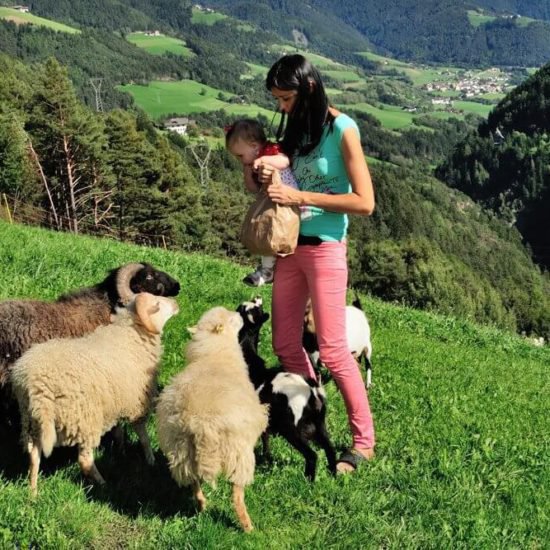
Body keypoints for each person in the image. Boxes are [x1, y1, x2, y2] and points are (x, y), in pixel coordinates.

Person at [258, 54, 376, 473]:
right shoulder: (297, 125)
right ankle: (314, 405)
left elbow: (364, 202)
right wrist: (270, 165)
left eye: (285, 98)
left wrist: (301, 197)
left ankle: (362, 443)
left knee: (332, 347)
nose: (281, 107)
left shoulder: (343, 129)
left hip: (326, 246)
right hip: (291, 246)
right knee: (285, 344)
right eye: (277, 100)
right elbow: (291, 166)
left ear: (308, 89)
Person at [225, 119, 299, 286]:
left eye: (240, 155)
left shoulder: (271, 152)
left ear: (254, 146)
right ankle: (267, 270)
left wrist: (265, 161)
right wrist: (247, 173)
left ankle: (268, 271)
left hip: (289, 198)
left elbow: (285, 161)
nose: (240, 160)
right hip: (275, 202)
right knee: (267, 232)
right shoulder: (251, 163)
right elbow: (253, 189)